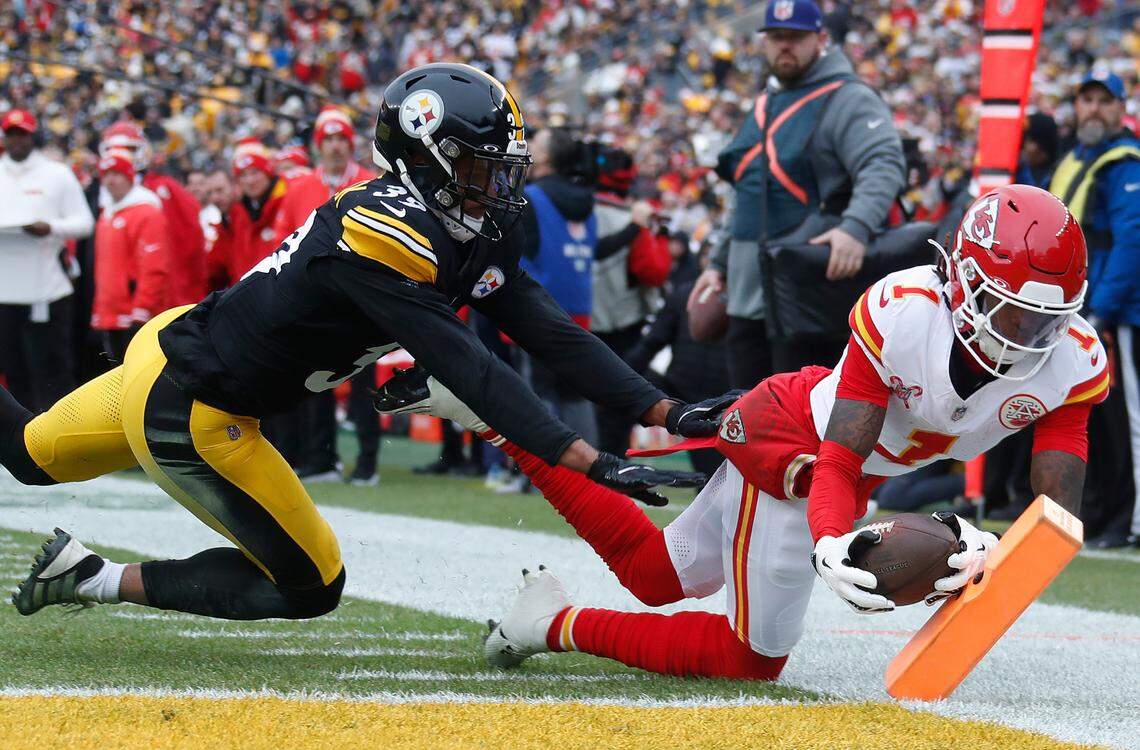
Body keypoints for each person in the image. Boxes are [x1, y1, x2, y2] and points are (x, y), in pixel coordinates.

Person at [7, 64, 723, 623]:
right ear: (429, 159)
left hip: (174, 345)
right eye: (480, 164)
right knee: (311, 586)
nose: (500, 179)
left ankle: (80, 572)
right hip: (198, 408)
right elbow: (467, 364)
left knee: (32, 458)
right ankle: (100, 581)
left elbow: (539, 324)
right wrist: (588, 458)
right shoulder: (382, 235)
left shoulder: (466, 218)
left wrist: (664, 411)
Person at [382, 186, 1106, 680]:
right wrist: (831, 542)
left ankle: (493, 426)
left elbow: (1055, 510)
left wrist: (1000, 562)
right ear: (965, 284)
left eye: (1050, 318)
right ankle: (556, 624)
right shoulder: (905, 312)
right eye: (1015, 312)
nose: (1034, 335)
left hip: (835, 466)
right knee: (752, 658)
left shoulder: (1068, 360)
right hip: (794, 448)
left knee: (654, 575)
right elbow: (840, 456)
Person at [692, 0, 905, 385]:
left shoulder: (847, 96)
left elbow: (883, 163)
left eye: (796, 37)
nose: (785, 46)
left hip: (804, 297)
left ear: (821, 38)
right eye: (776, 37)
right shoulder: (765, 102)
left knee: (809, 427)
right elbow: (747, 192)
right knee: (746, 425)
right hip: (748, 295)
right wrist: (719, 263)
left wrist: (855, 227)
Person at [1049, 70, 1140, 549]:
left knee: (1127, 422)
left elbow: (1130, 243)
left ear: (1120, 108)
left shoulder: (1126, 164)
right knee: (1092, 420)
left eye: (1105, 101)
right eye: (1086, 99)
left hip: (1115, 315)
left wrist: (1102, 312)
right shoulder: (1076, 158)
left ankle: (1130, 520)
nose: (1093, 109)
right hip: (1077, 312)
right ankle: (1103, 514)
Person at [269, 107, 381, 485]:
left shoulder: (370, 183)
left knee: (364, 384)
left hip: (361, 300)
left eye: (341, 139)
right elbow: (284, 242)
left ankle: (367, 463)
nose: (334, 147)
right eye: (328, 139)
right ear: (318, 145)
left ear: (351, 144)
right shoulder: (299, 188)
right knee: (316, 380)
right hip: (314, 300)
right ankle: (322, 458)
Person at [0, 109, 94, 413]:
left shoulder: (56, 174)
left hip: (47, 289)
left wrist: (51, 228)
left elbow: (84, 222)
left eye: (22, 133)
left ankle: (61, 436)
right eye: (11, 134)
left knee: (52, 370)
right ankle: (20, 443)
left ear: (33, 135)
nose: (16, 140)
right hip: (5, 291)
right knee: (14, 371)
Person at [517, 128, 600, 444]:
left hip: (538, 306)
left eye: (537, 143)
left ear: (548, 156)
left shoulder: (531, 198)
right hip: (579, 308)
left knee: (536, 393)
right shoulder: (587, 201)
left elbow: (521, 253)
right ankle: (592, 468)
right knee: (576, 393)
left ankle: (540, 471)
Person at [590, 149, 673, 457]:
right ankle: (611, 460)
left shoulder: (581, 212)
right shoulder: (633, 217)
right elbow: (652, 272)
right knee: (619, 398)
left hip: (588, 319)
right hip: (625, 320)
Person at [99, 121, 205, 308]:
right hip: (121, 298)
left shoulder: (164, 188)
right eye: (113, 149)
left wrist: (186, 293)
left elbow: (190, 242)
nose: (121, 155)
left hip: (164, 294)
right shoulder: (105, 196)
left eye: (129, 149)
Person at [90, 149, 170, 362]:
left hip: (134, 314)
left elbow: (154, 265)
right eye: (105, 174)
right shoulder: (107, 214)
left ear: (129, 176)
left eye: (116, 173)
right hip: (110, 313)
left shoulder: (146, 212)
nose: (110, 180)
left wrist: (143, 307)